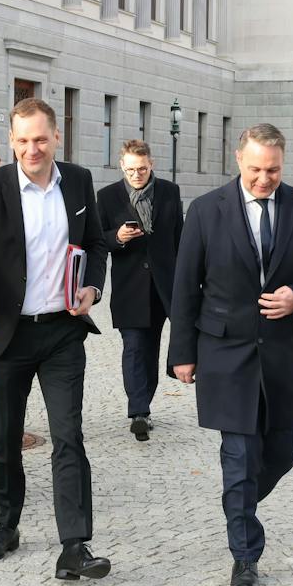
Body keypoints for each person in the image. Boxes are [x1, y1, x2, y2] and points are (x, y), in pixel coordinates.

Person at [168, 124, 293, 586]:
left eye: (274, 170)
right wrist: (181, 353)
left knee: (284, 450)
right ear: (238, 161)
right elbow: (185, 285)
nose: (265, 179)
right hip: (224, 350)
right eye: (257, 170)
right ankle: (245, 555)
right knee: (239, 456)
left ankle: (236, 502)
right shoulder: (205, 211)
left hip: (282, 350)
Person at [0, 98, 111, 580]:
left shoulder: (79, 181)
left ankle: (75, 545)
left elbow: (97, 243)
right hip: (8, 333)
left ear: (57, 137)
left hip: (62, 330)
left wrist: (93, 286)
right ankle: (6, 527)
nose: (31, 149)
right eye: (22, 141)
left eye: (40, 139)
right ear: (12, 140)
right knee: (4, 438)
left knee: (68, 437)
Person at [97, 139, 182, 440]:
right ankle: (138, 411)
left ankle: (145, 405)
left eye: (142, 169)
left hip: (162, 287)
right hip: (129, 288)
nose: (137, 175)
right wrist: (117, 237)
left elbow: (179, 240)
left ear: (151, 164)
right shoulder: (106, 197)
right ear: (122, 166)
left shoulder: (170, 192)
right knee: (133, 347)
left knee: (151, 349)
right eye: (131, 169)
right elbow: (97, 242)